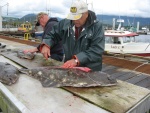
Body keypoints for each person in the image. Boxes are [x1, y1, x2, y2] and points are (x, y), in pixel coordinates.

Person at [39, 0, 105, 71]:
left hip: (90, 70)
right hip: (70, 68)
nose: (75, 20)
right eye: (73, 17)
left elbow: (97, 50)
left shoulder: (97, 27)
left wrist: (77, 60)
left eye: (78, 17)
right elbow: (53, 34)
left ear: (86, 14)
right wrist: (46, 44)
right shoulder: (65, 23)